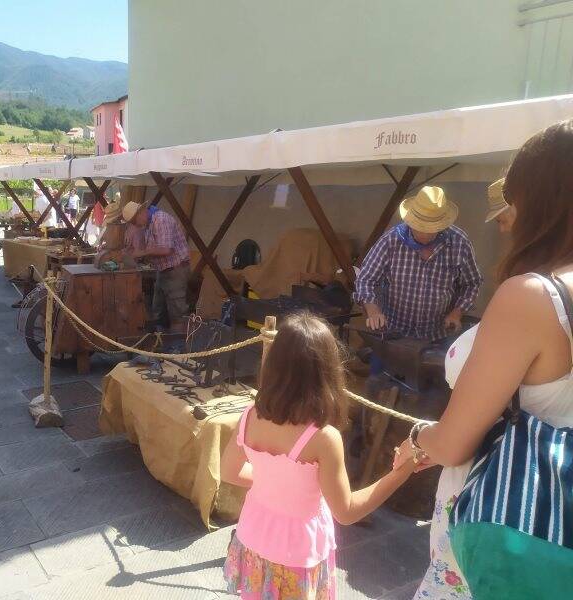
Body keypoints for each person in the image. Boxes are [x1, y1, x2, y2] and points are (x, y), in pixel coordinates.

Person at [411, 120, 573, 599]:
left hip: (513, 519)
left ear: (539, 200)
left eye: (513, 201)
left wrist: (421, 436)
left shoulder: (533, 296)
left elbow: (456, 444)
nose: (508, 217)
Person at [221, 312, 418, 599]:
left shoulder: (250, 416)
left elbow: (229, 472)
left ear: (274, 364)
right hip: (297, 556)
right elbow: (347, 511)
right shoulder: (323, 438)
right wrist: (402, 470)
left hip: (252, 539)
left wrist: (275, 484)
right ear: (328, 370)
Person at [354, 185, 483, 341]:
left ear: (442, 224)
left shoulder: (459, 242)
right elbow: (365, 279)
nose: (425, 234)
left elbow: (472, 283)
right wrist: (373, 310)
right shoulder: (391, 241)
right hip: (395, 332)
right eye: (420, 227)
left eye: (431, 229)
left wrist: (457, 313)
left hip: (438, 335)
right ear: (410, 221)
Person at [122, 200, 191, 333]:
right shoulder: (147, 224)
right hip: (163, 270)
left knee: (177, 314)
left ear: (141, 213)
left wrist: (142, 253)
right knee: (159, 311)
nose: (135, 225)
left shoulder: (160, 220)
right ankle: (162, 343)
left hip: (175, 270)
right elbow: (145, 247)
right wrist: (134, 236)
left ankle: (177, 350)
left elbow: (166, 249)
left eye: (134, 221)